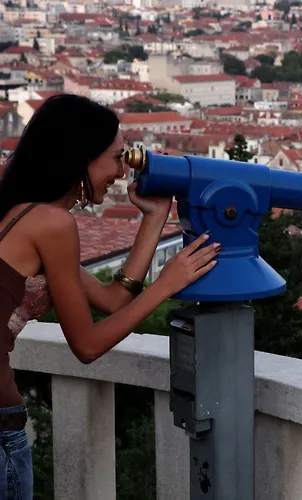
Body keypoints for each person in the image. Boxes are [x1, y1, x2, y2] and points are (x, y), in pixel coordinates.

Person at [0, 94, 219, 499]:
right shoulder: (51, 223)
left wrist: (154, 218)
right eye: (118, 158)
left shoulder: (18, 210)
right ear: (80, 157)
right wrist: (166, 285)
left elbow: (111, 299)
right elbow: (87, 345)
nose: (122, 172)